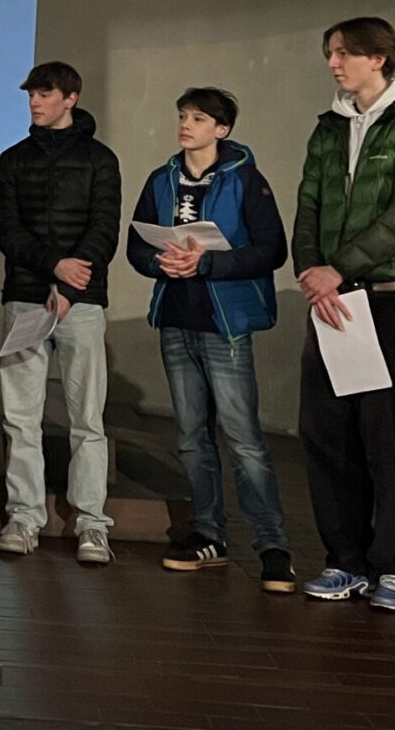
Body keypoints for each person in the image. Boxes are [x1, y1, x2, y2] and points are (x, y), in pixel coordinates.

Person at [294, 17, 395, 614]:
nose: (333, 63)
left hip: (388, 300)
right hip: (332, 299)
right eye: (330, 53)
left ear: (379, 58)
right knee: (327, 434)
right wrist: (313, 273)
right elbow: (308, 204)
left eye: (344, 53)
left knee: (388, 438)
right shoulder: (330, 126)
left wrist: (338, 268)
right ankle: (344, 559)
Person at [124, 87, 294, 592]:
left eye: (198, 118)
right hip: (177, 319)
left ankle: (273, 545)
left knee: (243, 439)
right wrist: (160, 261)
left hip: (225, 323)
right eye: (182, 116)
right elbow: (135, 244)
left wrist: (209, 263)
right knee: (191, 437)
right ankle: (208, 534)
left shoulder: (245, 179)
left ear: (222, 129)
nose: (185, 125)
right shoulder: (162, 179)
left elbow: (271, 250)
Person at [0, 61, 121, 565]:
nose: (35, 102)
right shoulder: (13, 159)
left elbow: (104, 228)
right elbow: (7, 230)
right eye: (31, 95)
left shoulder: (100, 159)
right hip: (25, 297)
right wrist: (53, 266)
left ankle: (92, 523)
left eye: (45, 94)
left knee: (87, 418)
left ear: (71, 98)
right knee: (21, 417)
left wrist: (68, 285)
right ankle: (24, 517)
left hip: (82, 302)